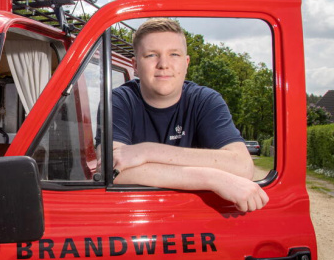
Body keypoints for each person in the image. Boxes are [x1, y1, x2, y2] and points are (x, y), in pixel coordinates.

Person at [112, 18, 268, 212]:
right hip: (138, 215)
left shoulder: (206, 100)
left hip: (195, 216)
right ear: (135, 65)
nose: (164, 64)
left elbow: (242, 166)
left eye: (174, 54)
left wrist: (146, 152)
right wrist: (213, 178)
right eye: (151, 55)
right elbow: (114, 172)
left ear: (186, 63)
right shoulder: (119, 101)